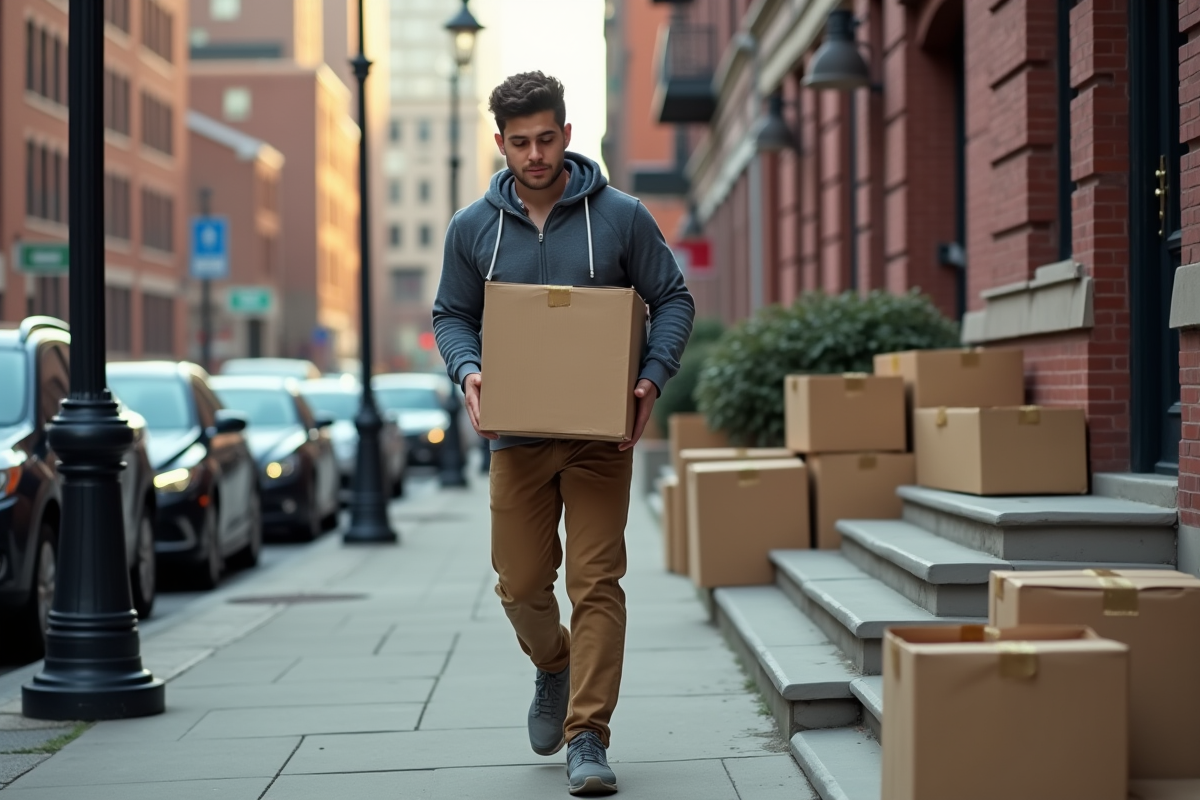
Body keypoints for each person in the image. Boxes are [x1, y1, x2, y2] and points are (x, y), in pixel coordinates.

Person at [432, 72, 694, 796]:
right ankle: (554, 663)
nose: (535, 154)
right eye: (520, 143)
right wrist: (468, 370)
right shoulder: (472, 229)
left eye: (546, 139)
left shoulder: (621, 217)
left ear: (567, 135)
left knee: (596, 581)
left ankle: (588, 737)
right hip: (516, 434)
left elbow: (672, 298)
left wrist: (651, 379)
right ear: (501, 143)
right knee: (519, 584)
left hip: (601, 436)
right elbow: (451, 314)